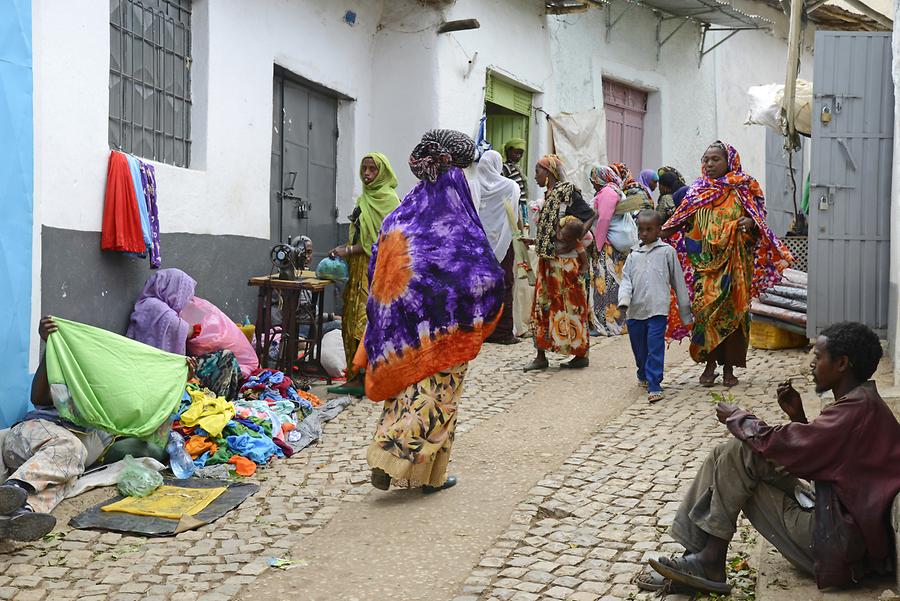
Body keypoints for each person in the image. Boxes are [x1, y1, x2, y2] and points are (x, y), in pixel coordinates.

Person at [637, 322, 900, 595]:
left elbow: (787, 447)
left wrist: (739, 417)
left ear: (842, 363)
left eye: (818, 357)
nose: (811, 364)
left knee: (740, 453)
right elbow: (825, 460)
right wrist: (798, 418)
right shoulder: (862, 403)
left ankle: (708, 561)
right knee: (728, 453)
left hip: (835, 546)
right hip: (837, 524)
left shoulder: (855, 412)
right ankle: (698, 555)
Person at [356, 129, 504, 493]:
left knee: (403, 397)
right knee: (439, 400)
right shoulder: (455, 223)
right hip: (445, 334)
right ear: (454, 174)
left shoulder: (399, 218)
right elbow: (480, 274)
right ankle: (414, 469)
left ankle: (394, 458)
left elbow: (380, 275)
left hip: (402, 337)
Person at [662, 142, 792, 387]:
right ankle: (709, 364)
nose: (709, 164)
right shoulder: (696, 192)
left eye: (715, 160)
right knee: (705, 314)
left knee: (734, 315)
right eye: (706, 160)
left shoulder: (743, 188)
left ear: (729, 161)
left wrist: (749, 224)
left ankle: (729, 368)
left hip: (734, 267)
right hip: (704, 267)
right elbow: (680, 223)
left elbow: (759, 221)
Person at [0, 317, 112, 541]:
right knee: (72, 448)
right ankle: (13, 488)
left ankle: (19, 515)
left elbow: (150, 418)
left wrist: (174, 383)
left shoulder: (114, 412)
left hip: (53, 467)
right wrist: (50, 347)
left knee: (66, 480)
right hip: (31, 435)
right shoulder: (70, 388)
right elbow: (38, 397)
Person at [328, 153, 401, 396]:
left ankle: (367, 376)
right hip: (359, 268)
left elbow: (382, 241)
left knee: (366, 319)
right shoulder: (364, 199)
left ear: (383, 173)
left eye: (373, 169)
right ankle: (354, 374)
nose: (367, 174)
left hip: (377, 269)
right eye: (365, 169)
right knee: (350, 318)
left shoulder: (389, 200)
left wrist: (347, 250)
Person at [524, 155, 596, 372]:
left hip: (565, 264)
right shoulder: (550, 196)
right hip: (548, 262)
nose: (535, 176)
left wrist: (575, 238)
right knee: (542, 306)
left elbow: (591, 215)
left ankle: (580, 353)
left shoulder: (567, 192)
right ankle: (540, 354)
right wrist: (535, 241)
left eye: (538, 171)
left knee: (571, 307)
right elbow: (551, 231)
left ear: (549, 173)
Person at [127, 268, 242, 399]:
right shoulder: (155, 307)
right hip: (157, 372)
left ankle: (227, 400)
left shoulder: (148, 304)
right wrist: (194, 329)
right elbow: (180, 329)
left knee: (228, 359)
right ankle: (222, 400)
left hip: (155, 368)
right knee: (226, 357)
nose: (183, 301)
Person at [617, 210, 692, 403]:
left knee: (655, 346)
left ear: (659, 230)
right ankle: (642, 372)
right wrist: (624, 300)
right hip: (635, 311)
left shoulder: (667, 252)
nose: (644, 234)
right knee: (639, 348)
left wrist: (686, 313)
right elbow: (626, 280)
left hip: (658, 310)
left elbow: (678, 282)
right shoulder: (633, 255)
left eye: (649, 230)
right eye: (641, 229)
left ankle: (654, 383)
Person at [476, 149, 522, 345]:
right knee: (505, 283)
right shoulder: (509, 186)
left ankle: (480, 329)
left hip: (479, 244)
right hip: (504, 242)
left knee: (480, 286)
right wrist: (520, 235)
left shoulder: (473, 185)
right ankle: (503, 332)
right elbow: (515, 216)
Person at [587, 165, 629, 337]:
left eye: (593, 181)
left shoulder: (607, 193)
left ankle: (607, 325)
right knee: (613, 285)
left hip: (607, 247)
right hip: (612, 245)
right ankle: (615, 324)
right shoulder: (615, 190)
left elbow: (604, 219)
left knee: (606, 286)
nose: (593, 186)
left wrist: (597, 246)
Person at [501, 138, 528, 227]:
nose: (519, 156)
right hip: (515, 204)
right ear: (508, 151)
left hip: (522, 204)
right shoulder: (507, 167)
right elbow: (500, 181)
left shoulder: (516, 167)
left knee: (524, 227)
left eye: (521, 154)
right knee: (516, 228)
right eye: (516, 153)